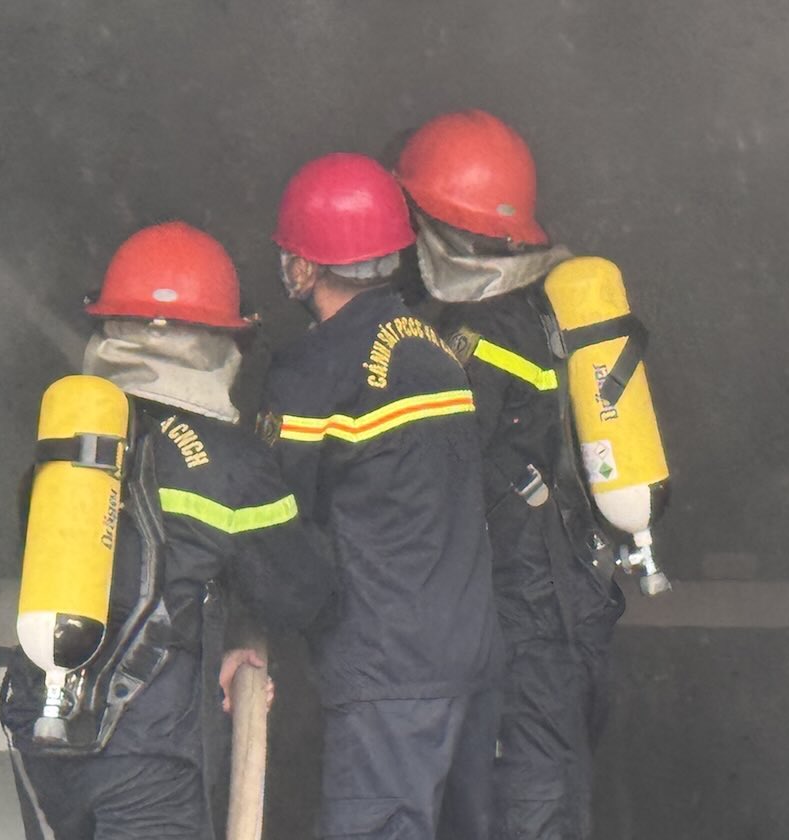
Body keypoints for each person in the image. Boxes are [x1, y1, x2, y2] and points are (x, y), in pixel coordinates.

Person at [0, 221, 335, 840]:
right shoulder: (230, 463)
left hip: (39, 723)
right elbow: (299, 592)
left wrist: (221, 634)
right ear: (220, 340)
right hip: (146, 743)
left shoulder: (72, 443)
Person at [256, 152, 504, 840]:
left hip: (388, 673)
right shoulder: (432, 346)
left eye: (290, 255)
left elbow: (276, 526)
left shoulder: (313, 372)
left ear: (306, 267)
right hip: (470, 658)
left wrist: (248, 632)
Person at [395, 109, 627, 840]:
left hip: (521, 633)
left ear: (437, 227)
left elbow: (427, 490)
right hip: (569, 616)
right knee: (543, 802)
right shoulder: (545, 314)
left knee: (520, 812)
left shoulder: (472, 340)